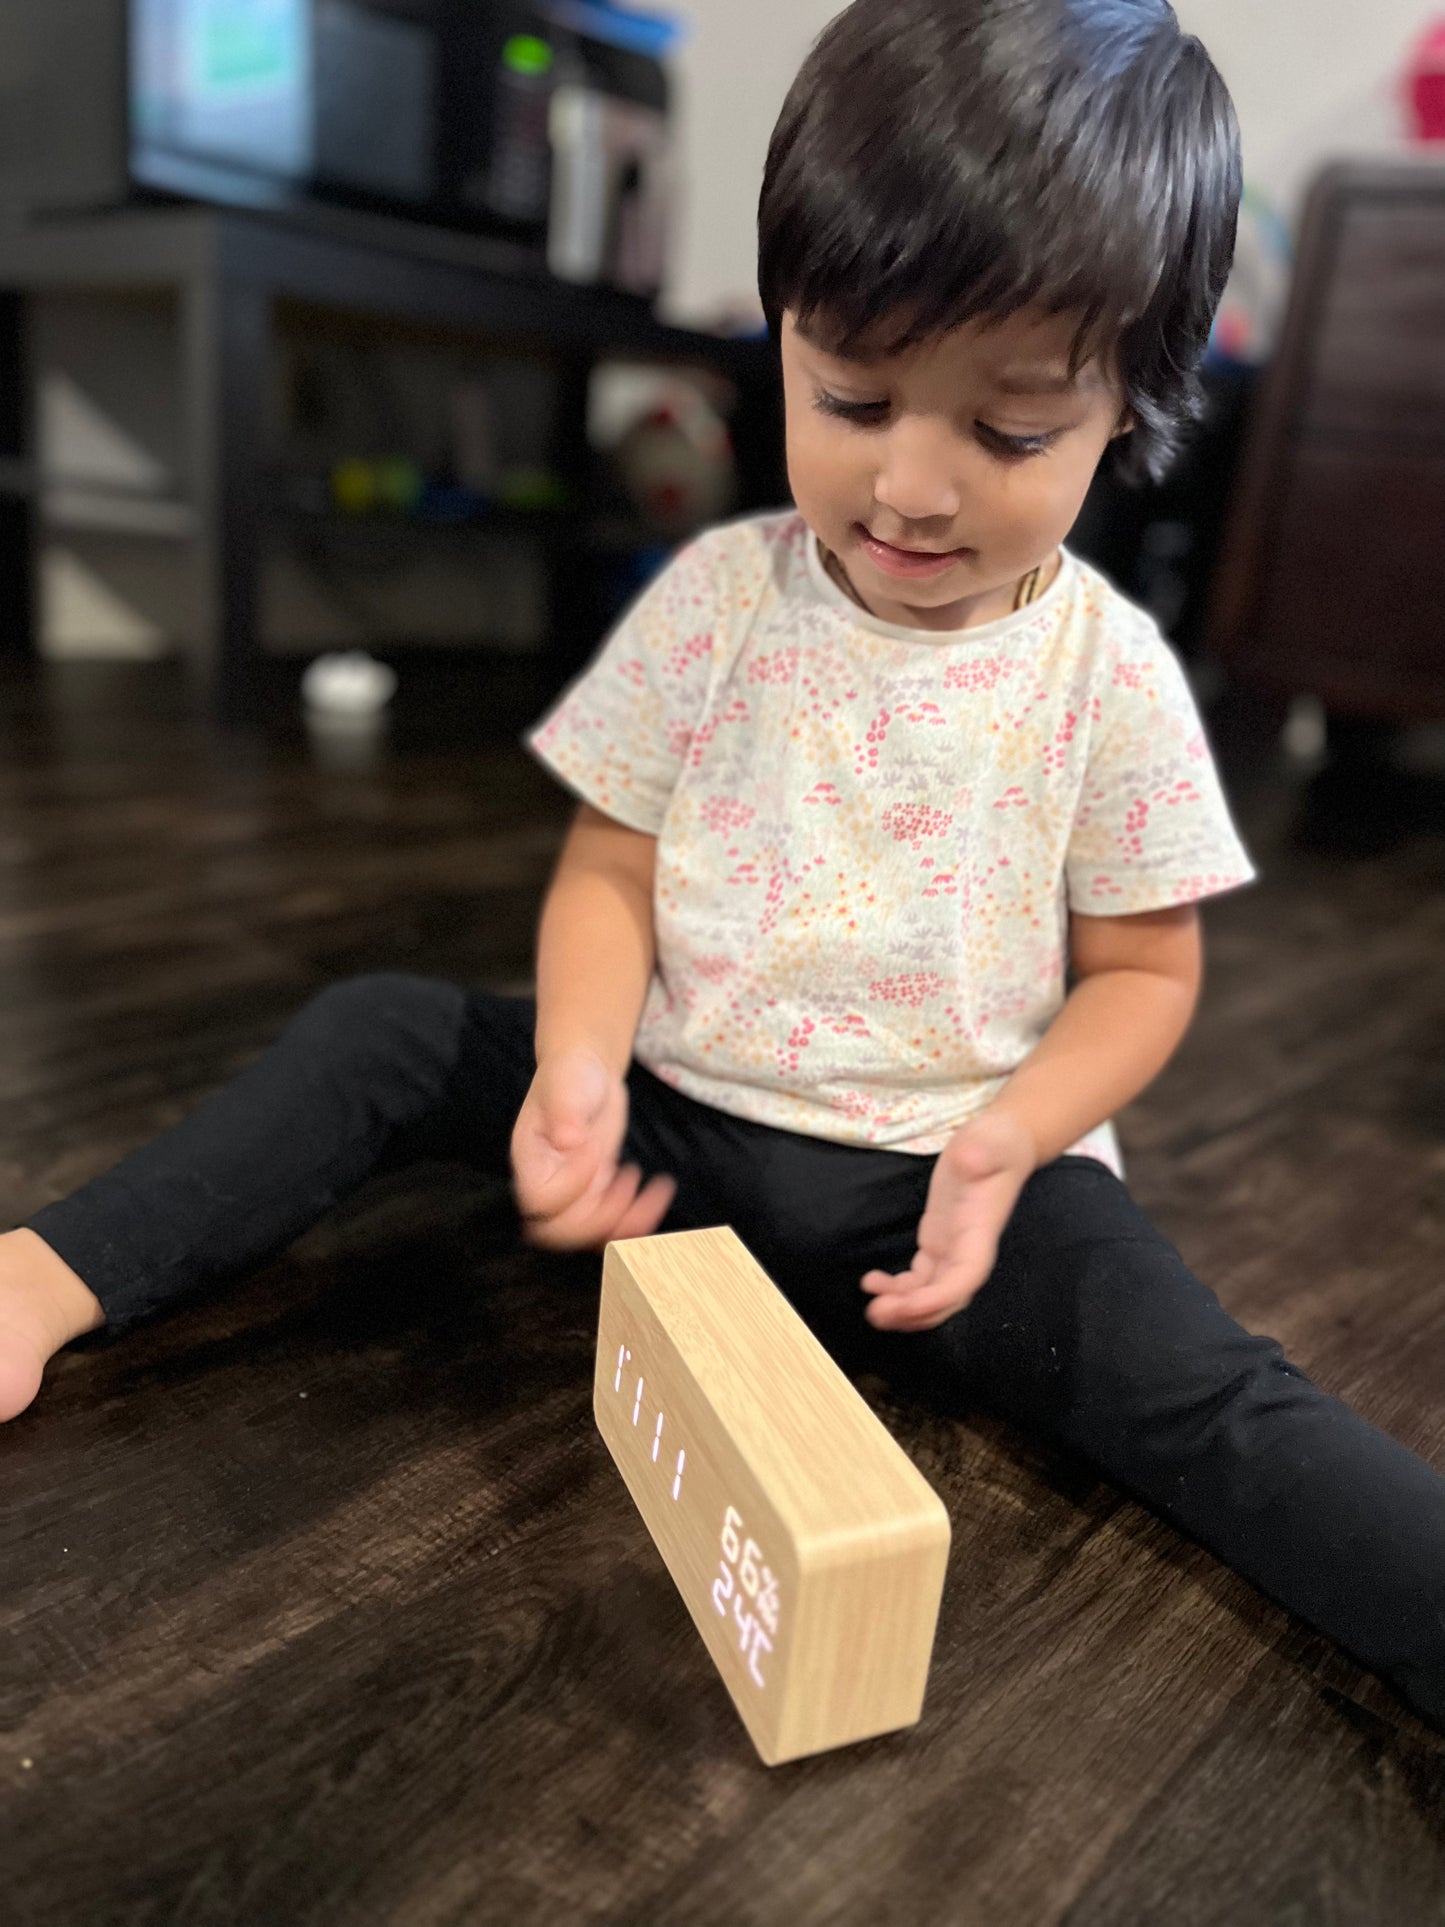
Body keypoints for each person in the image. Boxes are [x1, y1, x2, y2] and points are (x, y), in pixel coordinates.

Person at [4, 0, 1445, 1734]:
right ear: (776, 336)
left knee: (1202, 1391)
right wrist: (576, 1069)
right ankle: (51, 1268)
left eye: (1003, 434)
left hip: (943, 1193)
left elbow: (1144, 976)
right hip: (675, 1128)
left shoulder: (1109, 677)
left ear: (1131, 407)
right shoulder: (712, 604)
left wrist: (1010, 1141)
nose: (909, 482)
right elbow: (608, 873)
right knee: (386, 1029)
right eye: (850, 395)